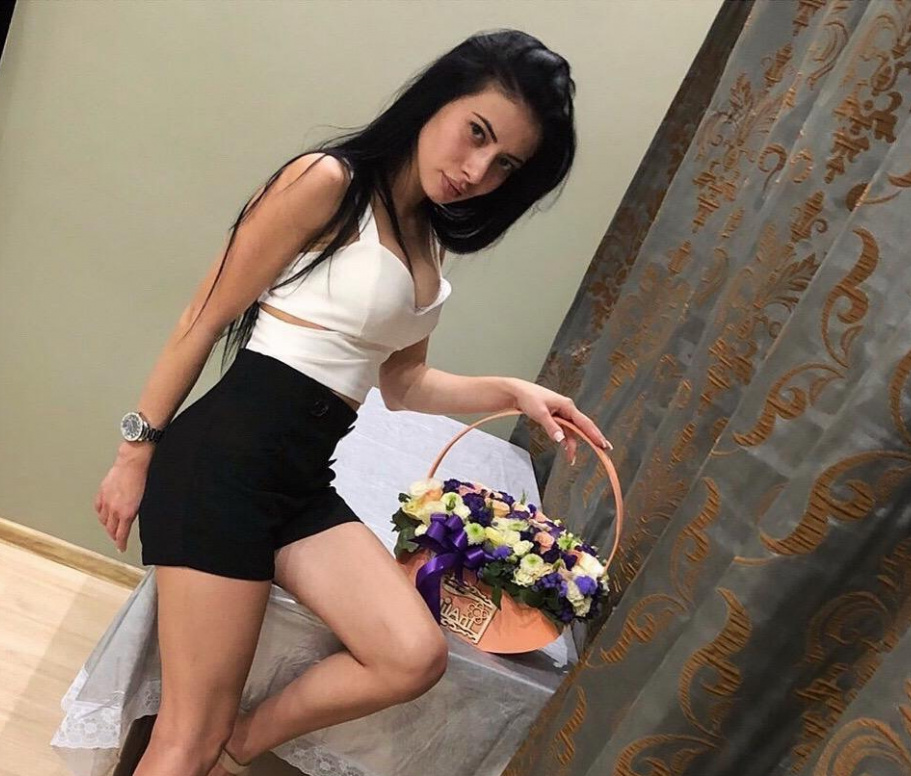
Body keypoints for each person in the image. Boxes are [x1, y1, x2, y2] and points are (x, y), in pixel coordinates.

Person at [93, 28, 610, 776]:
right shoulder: (328, 182)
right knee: (184, 740)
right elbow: (201, 318)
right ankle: (209, 744)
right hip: (222, 470)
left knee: (412, 655)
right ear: (439, 99)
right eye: (476, 133)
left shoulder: (427, 242)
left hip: (299, 483)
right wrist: (134, 451)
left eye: (505, 163)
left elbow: (403, 385)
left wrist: (513, 392)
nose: (477, 171)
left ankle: (240, 743)